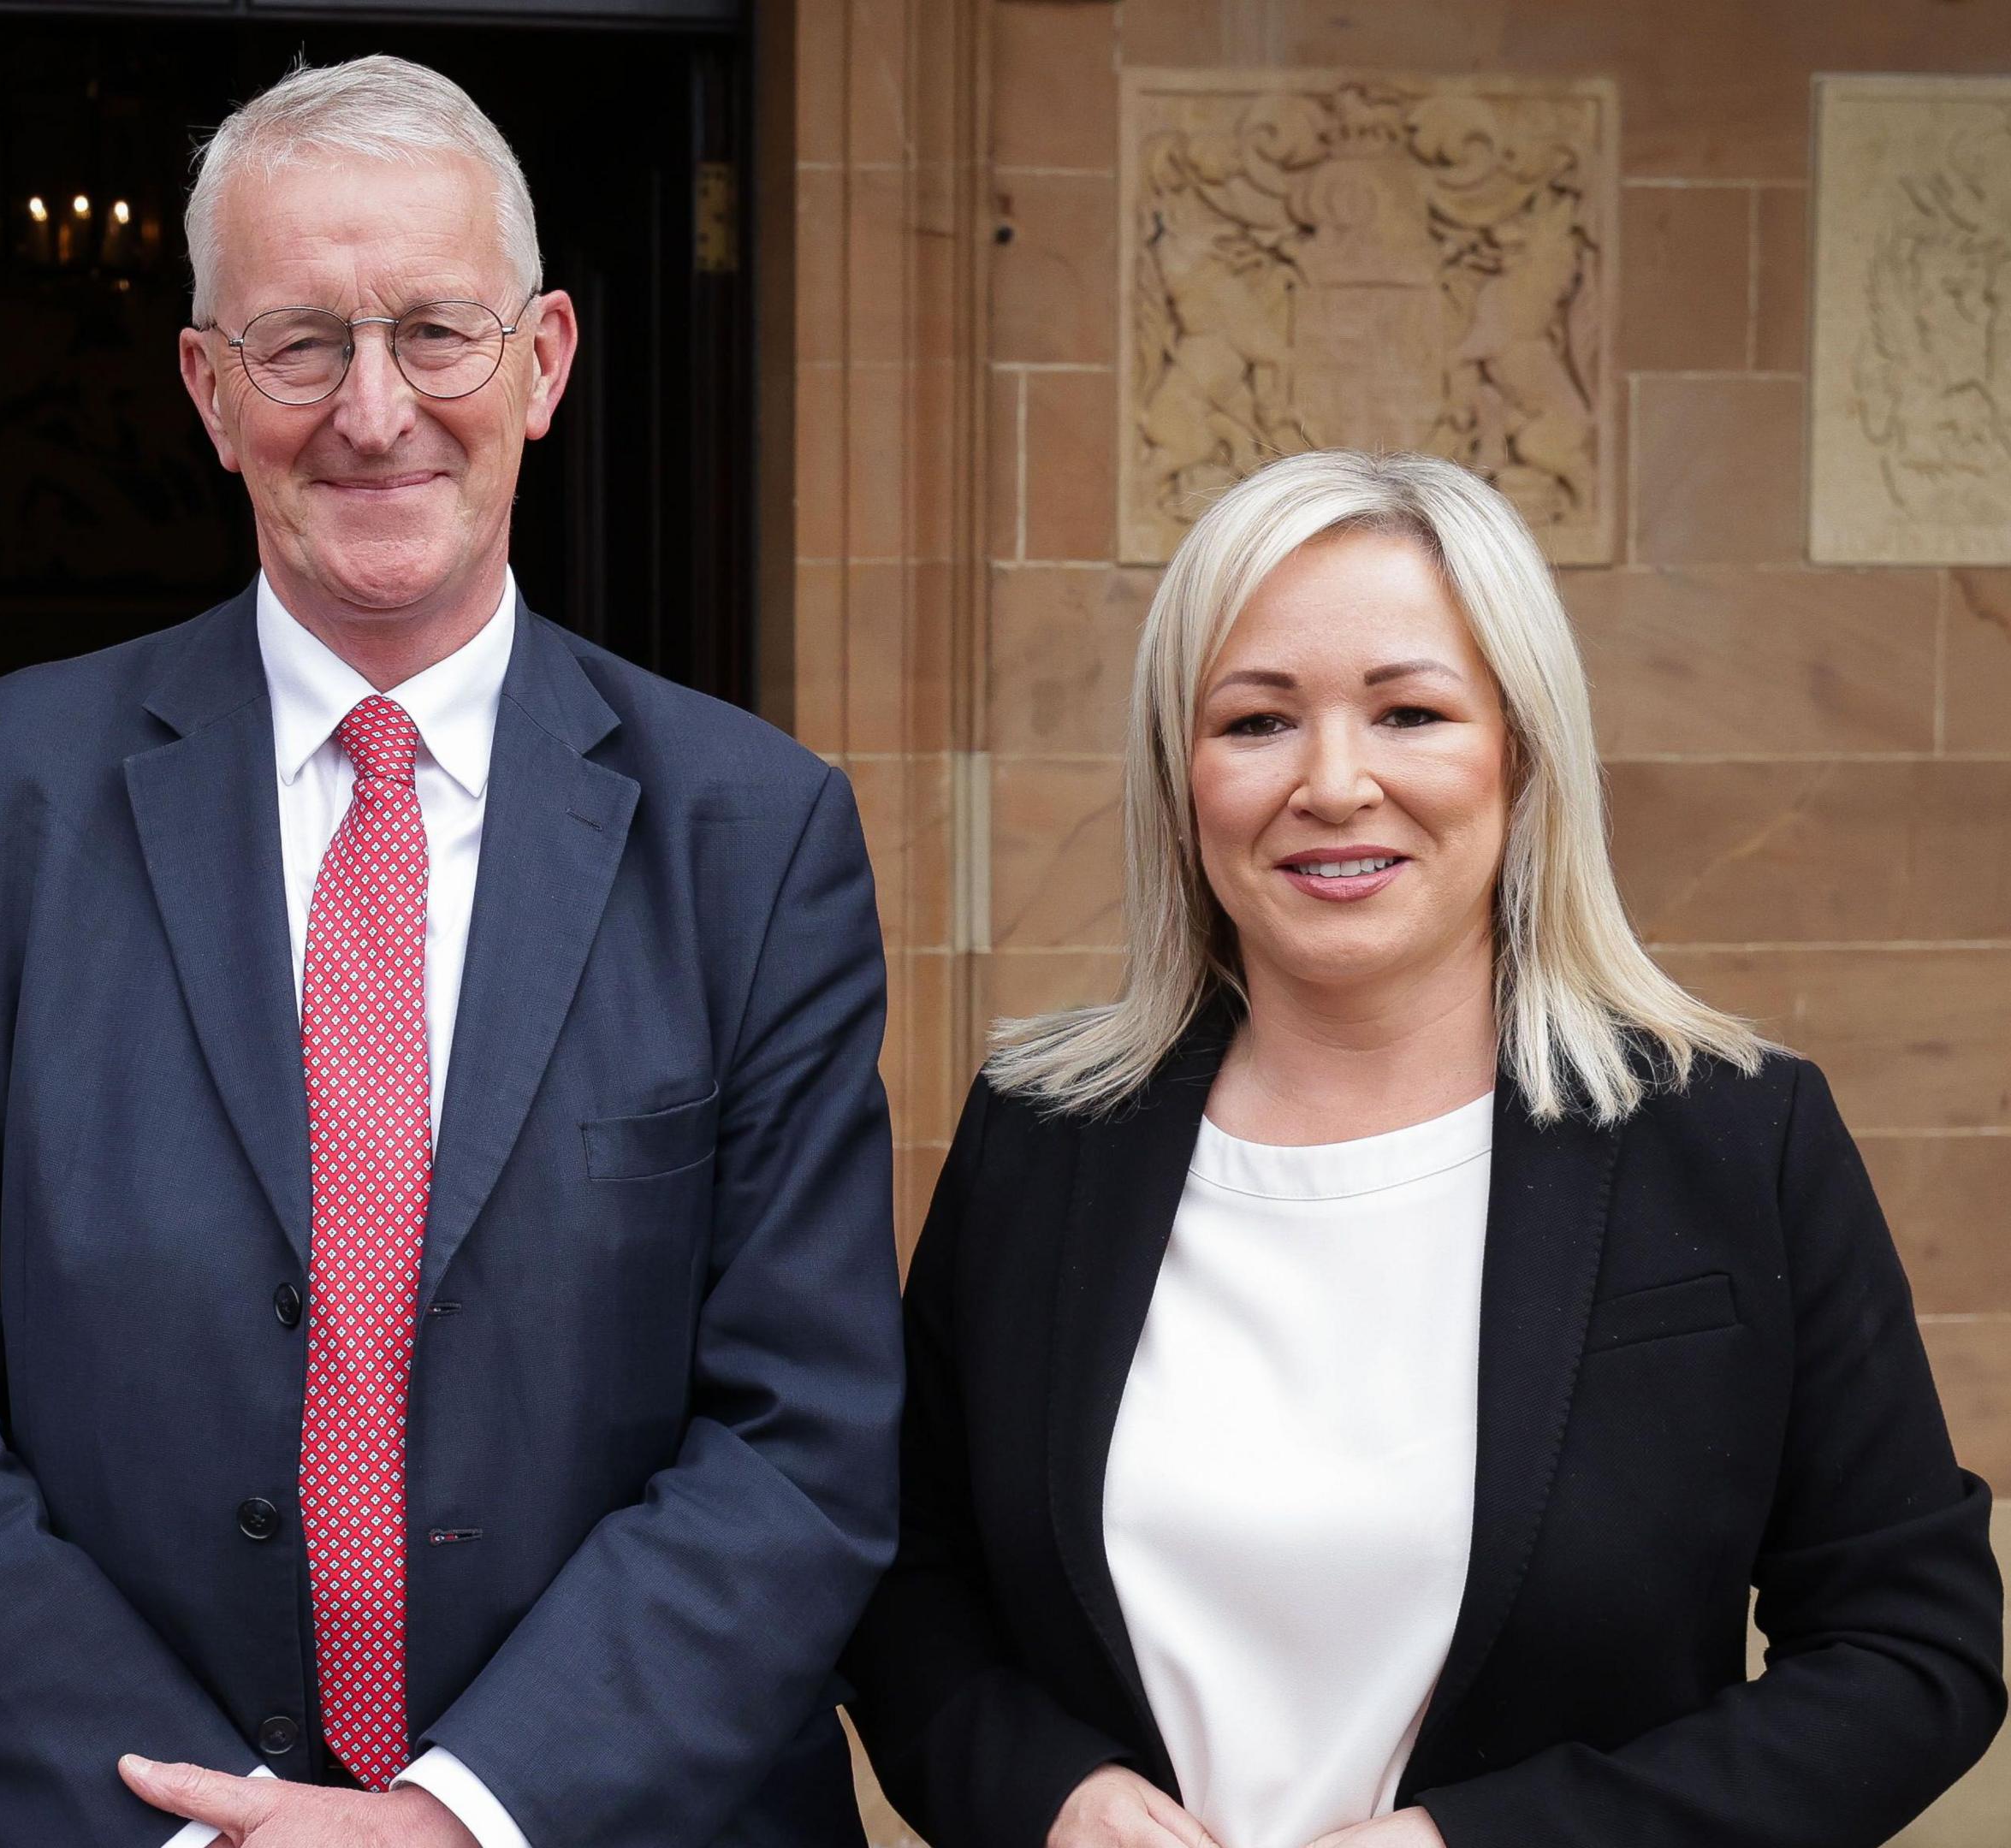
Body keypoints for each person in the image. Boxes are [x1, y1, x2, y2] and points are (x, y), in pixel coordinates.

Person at [0, 54, 901, 1848]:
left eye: (436, 335)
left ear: (542, 365)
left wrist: (465, 1815)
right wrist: (201, 1827)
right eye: (302, 344)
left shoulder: (752, 839)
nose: (375, 411)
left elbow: (805, 1432)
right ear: (209, 393)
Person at [844, 448, 2006, 1848]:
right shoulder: (1045, 1138)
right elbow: (904, 1575)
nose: (1334, 784)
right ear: (1181, 771)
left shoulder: (1735, 1141)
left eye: (1409, 712)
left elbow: (1911, 1656)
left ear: (1520, 751)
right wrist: (1053, 1797)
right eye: (1258, 722)